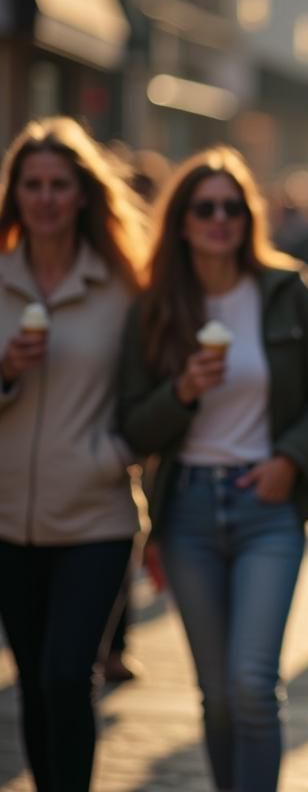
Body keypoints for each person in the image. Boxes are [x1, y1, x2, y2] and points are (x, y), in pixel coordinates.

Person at [116, 147, 308, 792]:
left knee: (252, 685)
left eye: (231, 206)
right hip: (188, 509)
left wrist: (290, 460)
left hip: (267, 505)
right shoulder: (156, 308)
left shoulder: (286, 289)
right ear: (182, 221)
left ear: (248, 215)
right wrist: (182, 391)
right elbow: (134, 426)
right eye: (204, 208)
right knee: (217, 694)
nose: (219, 218)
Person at [0, 117, 147, 791]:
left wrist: (113, 451)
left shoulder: (122, 288)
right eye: (33, 184)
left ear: (83, 195)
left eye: (60, 184)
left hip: (96, 517)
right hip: (9, 521)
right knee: (33, 680)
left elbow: (152, 394)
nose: (47, 198)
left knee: (68, 671)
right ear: (16, 194)